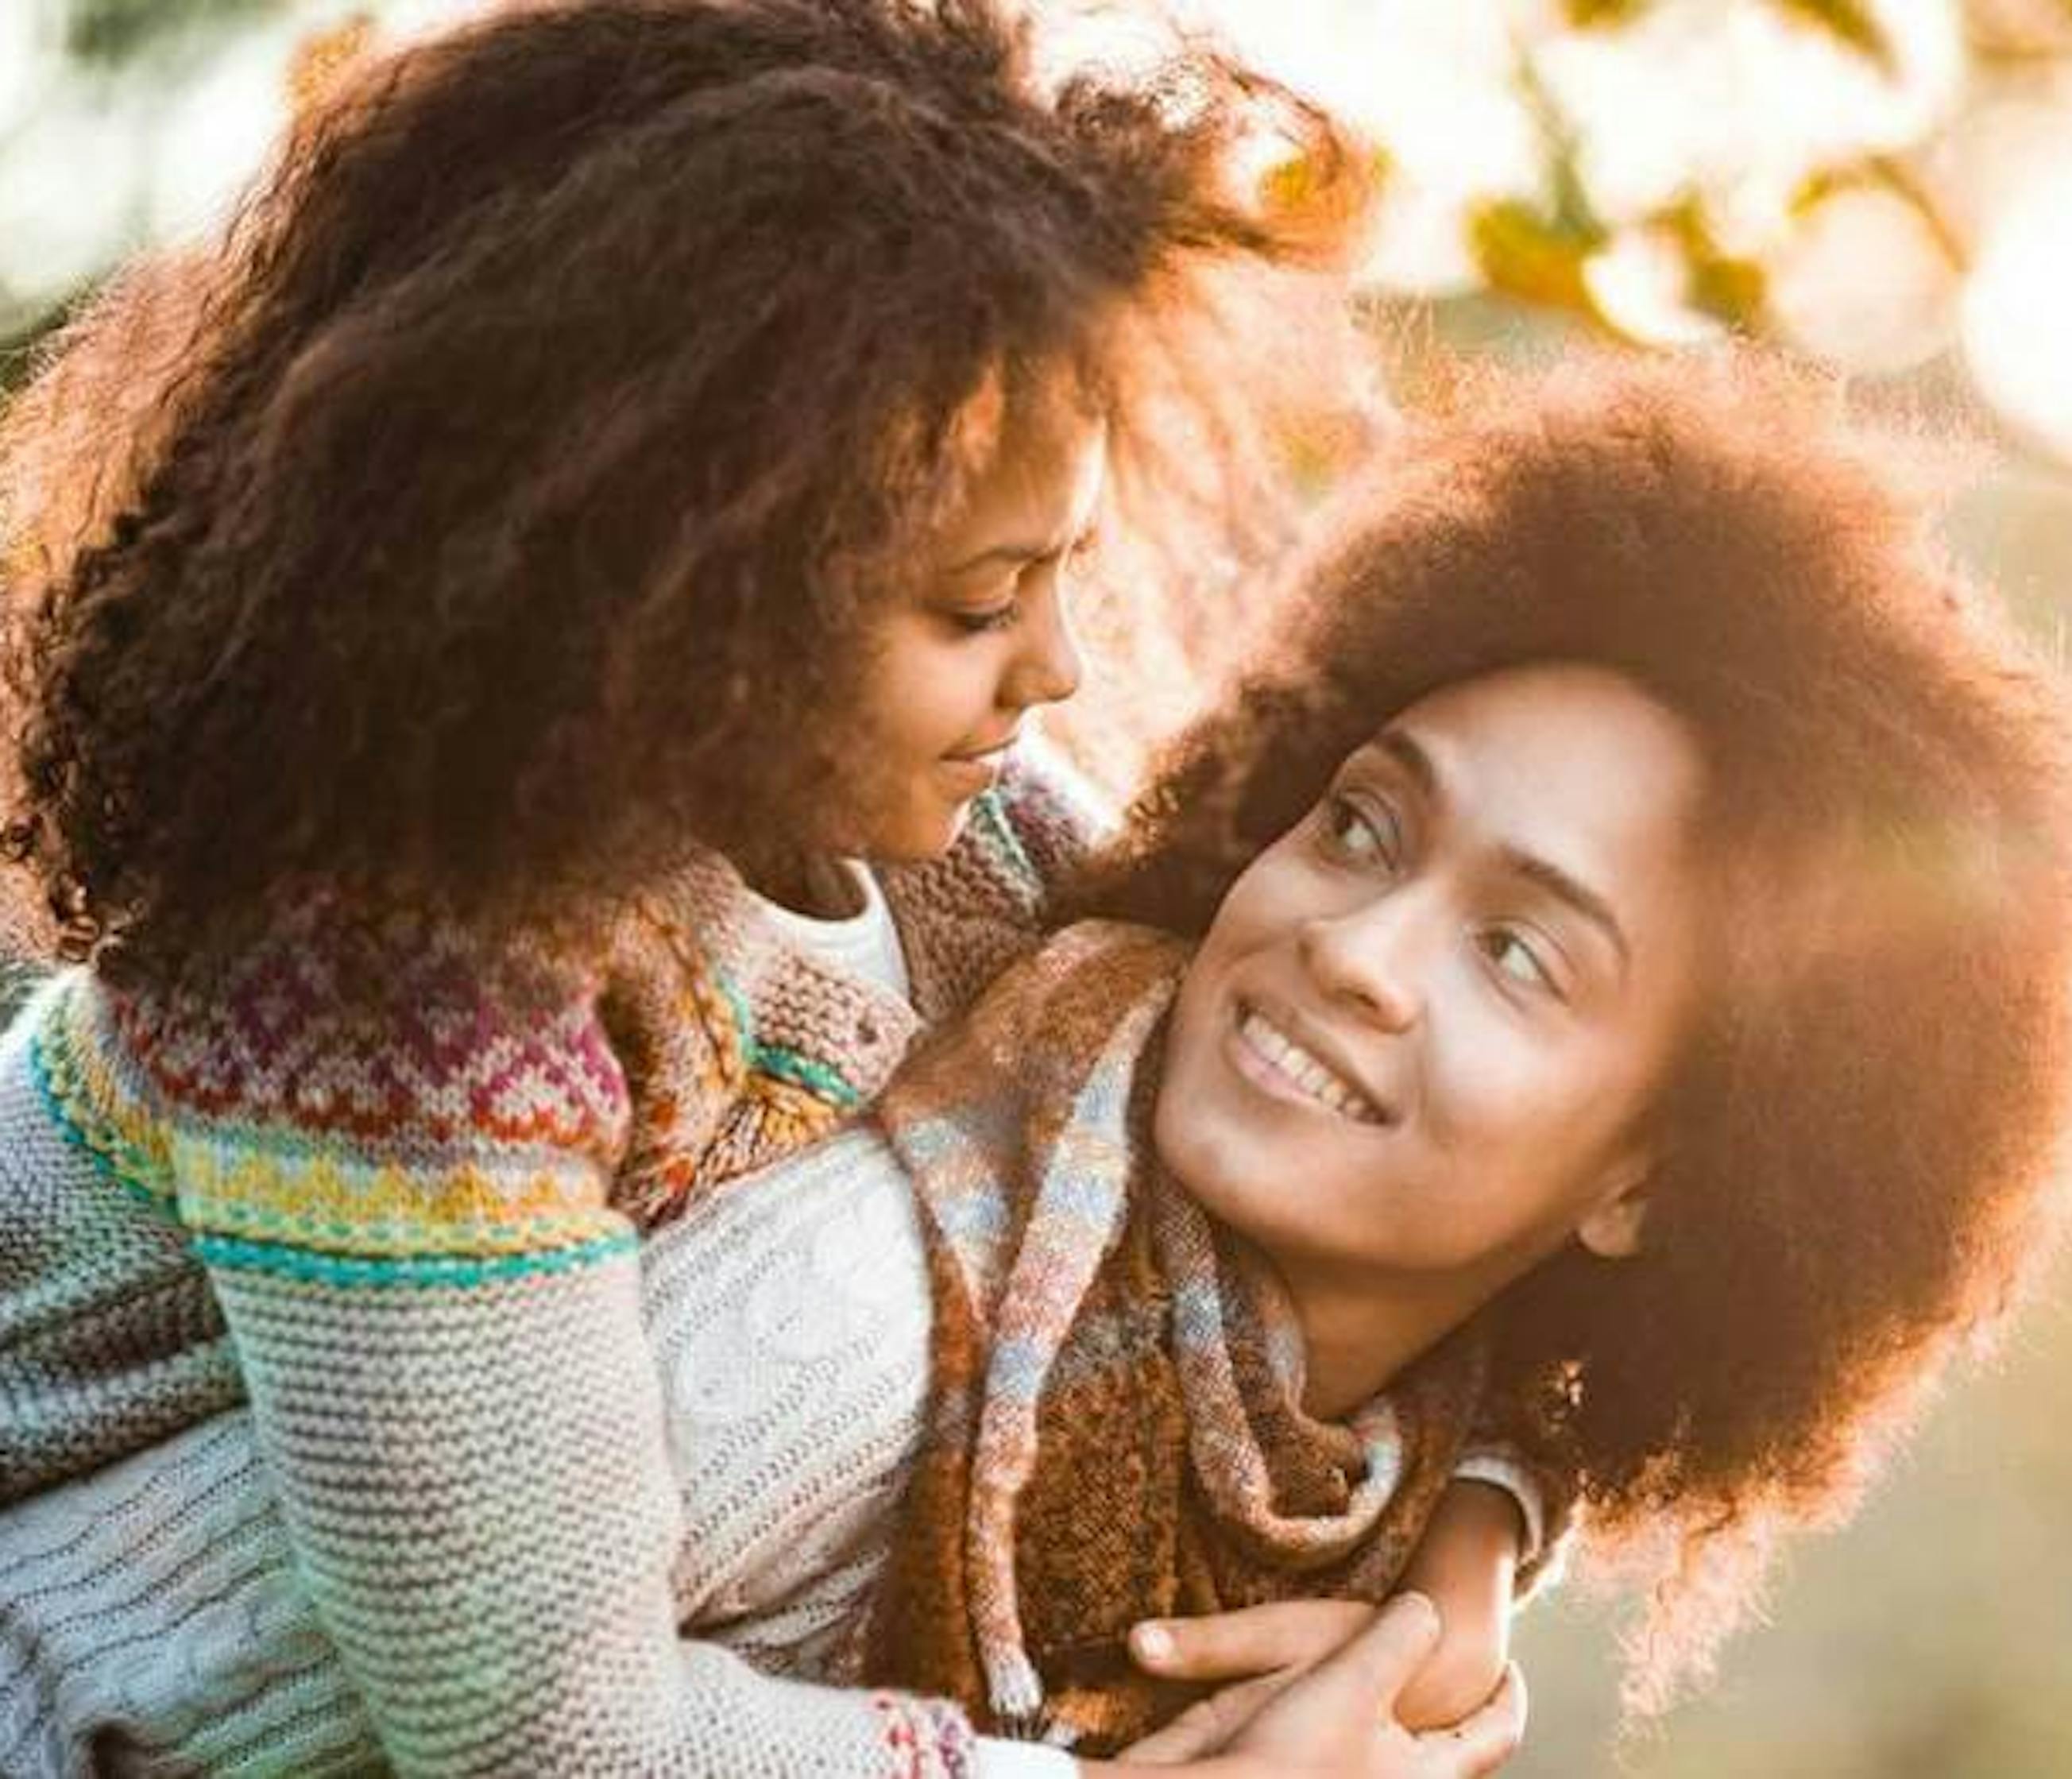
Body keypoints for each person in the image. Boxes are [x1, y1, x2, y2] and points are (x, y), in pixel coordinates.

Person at [2, 354, 2072, 1772]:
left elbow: (1530, 1382)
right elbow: (232, 1714)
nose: (1357, 953)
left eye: (1522, 954)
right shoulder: (866, 1308)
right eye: (1362, 823)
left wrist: (1470, 1562)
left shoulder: (1329, 1430)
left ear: (1651, 1182)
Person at [0, 2, 1526, 1771]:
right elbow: (556, 1742)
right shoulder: (381, 1001)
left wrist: (1471, 1539)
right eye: (976, 601)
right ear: (680, 591)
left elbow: (1339, 1173)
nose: (1055, 668)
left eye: (1068, 571)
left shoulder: (975, 838)